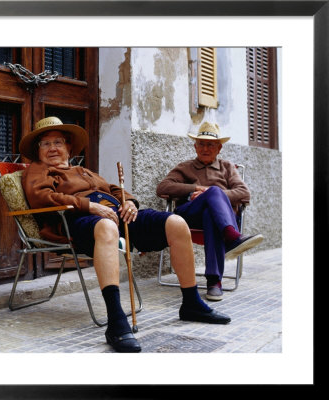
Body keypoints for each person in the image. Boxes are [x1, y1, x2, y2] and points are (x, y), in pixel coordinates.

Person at [19, 116, 231, 353]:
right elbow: (41, 197)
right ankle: (116, 320)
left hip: (117, 216)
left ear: (68, 147)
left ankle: (191, 303)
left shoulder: (84, 171)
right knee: (107, 227)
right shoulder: (38, 171)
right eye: (45, 144)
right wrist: (88, 206)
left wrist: (129, 202)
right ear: (38, 151)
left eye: (58, 142)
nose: (53, 148)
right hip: (76, 222)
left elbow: (113, 189)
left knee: (176, 222)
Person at [156, 121, 264, 301]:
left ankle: (214, 281)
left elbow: (244, 193)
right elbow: (163, 187)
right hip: (190, 216)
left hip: (215, 220)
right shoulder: (185, 167)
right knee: (212, 193)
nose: (205, 148)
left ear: (219, 148)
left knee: (211, 212)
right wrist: (194, 189)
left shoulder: (227, 167)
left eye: (210, 145)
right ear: (195, 146)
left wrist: (212, 194)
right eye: (201, 144)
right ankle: (231, 238)